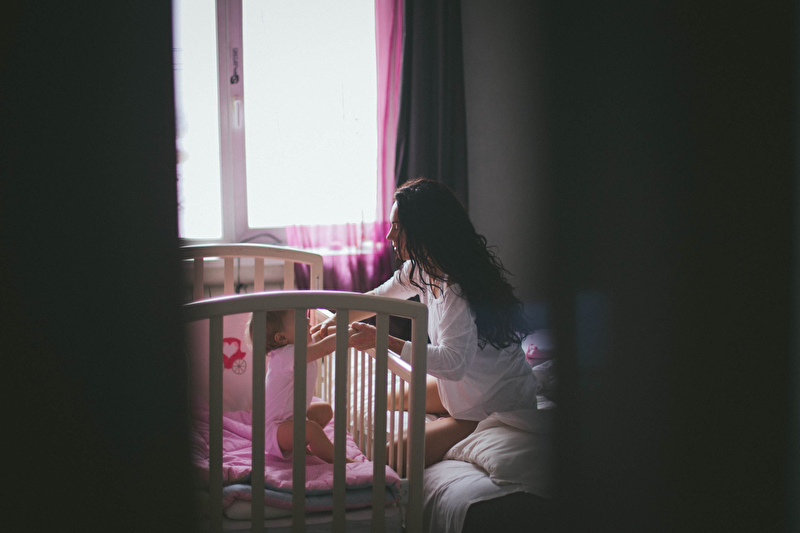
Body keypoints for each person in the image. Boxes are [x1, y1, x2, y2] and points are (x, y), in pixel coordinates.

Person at [311, 178, 538, 468]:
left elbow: (453, 364)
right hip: (463, 389)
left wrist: (383, 340)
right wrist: (333, 321)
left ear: (422, 230)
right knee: (382, 400)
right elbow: (377, 298)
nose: (389, 236)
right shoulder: (422, 270)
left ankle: (453, 426)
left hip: (491, 402)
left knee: (391, 457)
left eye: (397, 227)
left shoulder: (456, 289)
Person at [249, 309, 355, 463]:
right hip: (275, 431)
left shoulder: (300, 348)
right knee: (311, 429)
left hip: (292, 420)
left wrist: (345, 329)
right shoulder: (285, 355)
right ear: (281, 337)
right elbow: (323, 348)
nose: (307, 320)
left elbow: (320, 338)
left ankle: (299, 446)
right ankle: (342, 462)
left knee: (324, 410)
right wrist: (350, 336)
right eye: (299, 319)